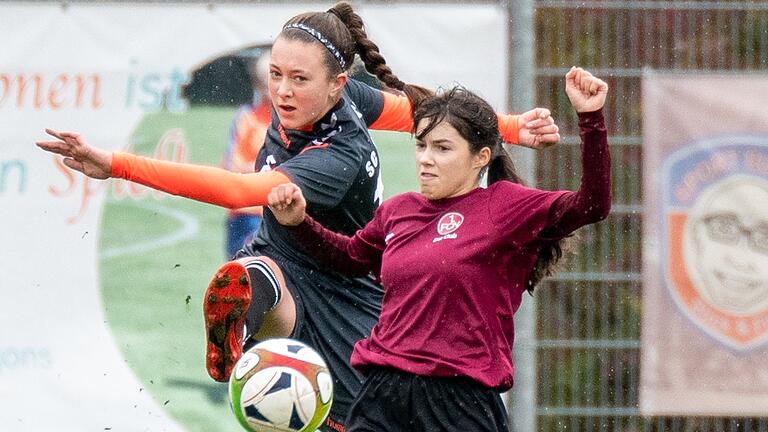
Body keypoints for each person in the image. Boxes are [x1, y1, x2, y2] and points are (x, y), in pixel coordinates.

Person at [35, 2, 561, 428]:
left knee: (342, 407)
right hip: (285, 256)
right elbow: (412, 111)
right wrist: (511, 127)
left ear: (335, 84)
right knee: (254, 271)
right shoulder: (347, 96)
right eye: (278, 74)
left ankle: (255, 317)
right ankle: (243, 313)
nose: (282, 91)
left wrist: (117, 164)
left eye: (299, 80)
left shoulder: (338, 156)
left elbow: (237, 190)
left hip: (345, 287)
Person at [267, 66, 611, 431]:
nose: (425, 158)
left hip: (459, 400)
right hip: (384, 394)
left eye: (442, 148)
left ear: (480, 157)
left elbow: (592, 204)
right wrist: (299, 223)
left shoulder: (505, 205)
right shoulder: (399, 211)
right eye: (421, 144)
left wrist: (590, 119)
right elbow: (350, 258)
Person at [222, 50, 272, 258]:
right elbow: (233, 167)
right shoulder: (246, 118)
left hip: (277, 215)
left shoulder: (295, 123)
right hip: (246, 214)